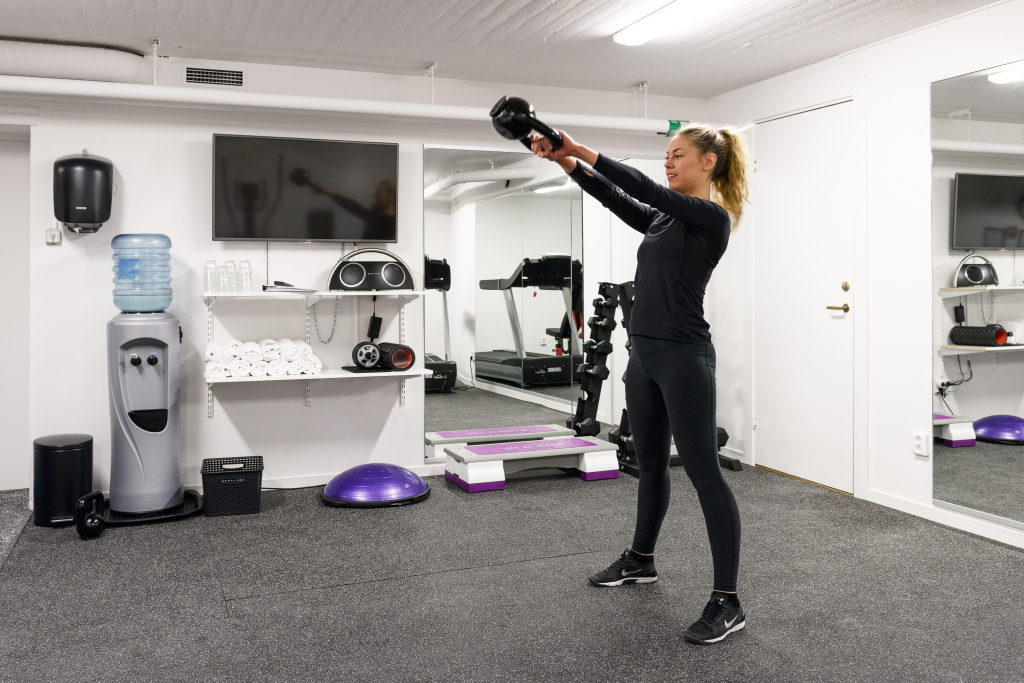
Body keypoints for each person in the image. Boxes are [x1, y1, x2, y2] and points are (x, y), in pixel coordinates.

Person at [530, 124, 749, 645]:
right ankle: (641, 559)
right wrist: (564, 161)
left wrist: (580, 148)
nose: (668, 163)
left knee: (704, 473)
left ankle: (727, 600)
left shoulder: (710, 218)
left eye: (678, 155)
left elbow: (645, 189)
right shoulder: (662, 221)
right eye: (666, 155)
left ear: (709, 162)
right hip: (644, 357)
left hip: (683, 357)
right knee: (648, 463)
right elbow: (614, 196)